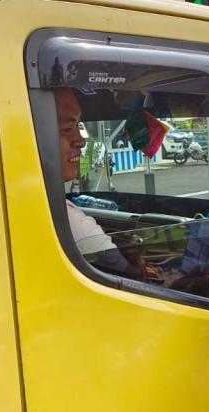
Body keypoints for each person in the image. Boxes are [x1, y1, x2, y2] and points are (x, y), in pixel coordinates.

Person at [54, 88, 137, 276]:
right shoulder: (64, 219)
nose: (81, 141)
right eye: (67, 129)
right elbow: (132, 277)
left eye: (78, 126)